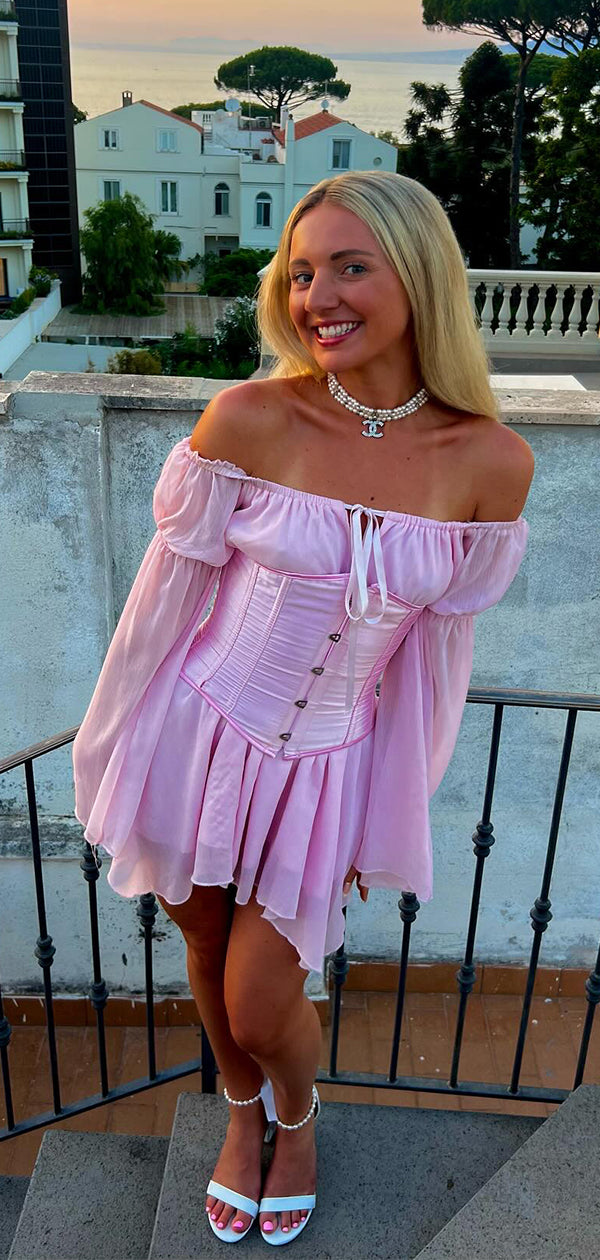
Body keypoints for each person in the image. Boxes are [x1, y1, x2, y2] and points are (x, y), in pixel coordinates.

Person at [72, 170, 533, 1246]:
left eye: (350, 267)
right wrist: (115, 743)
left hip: (326, 765)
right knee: (203, 945)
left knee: (260, 999)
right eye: (301, 272)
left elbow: (431, 665)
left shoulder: (489, 462)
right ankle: (242, 1119)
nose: (316, 296)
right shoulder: (249, 418)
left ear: (419, 276)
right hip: (195, 733)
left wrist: (392, 806)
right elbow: (160, 608)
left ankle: (297, 1116)